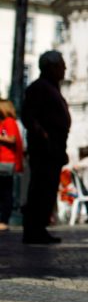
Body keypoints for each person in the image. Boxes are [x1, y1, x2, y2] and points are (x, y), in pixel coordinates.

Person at [21, 51, 71, 244]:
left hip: (54, 147)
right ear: (51, 67)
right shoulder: (39, 87)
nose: (65, 69)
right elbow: (29, 116)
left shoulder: (51, 87)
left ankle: (39, 227)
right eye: (62, 65)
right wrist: (44, 136)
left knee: (48, 189)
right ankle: (34, 229)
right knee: (40, 188)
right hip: (45, 149)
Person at [0, 99, 24, 231]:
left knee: (5, 191)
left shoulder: (9, 122)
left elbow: (11, 138)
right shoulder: (4, 123)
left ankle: (4, 220)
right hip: (3, 160)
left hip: (5, 160)